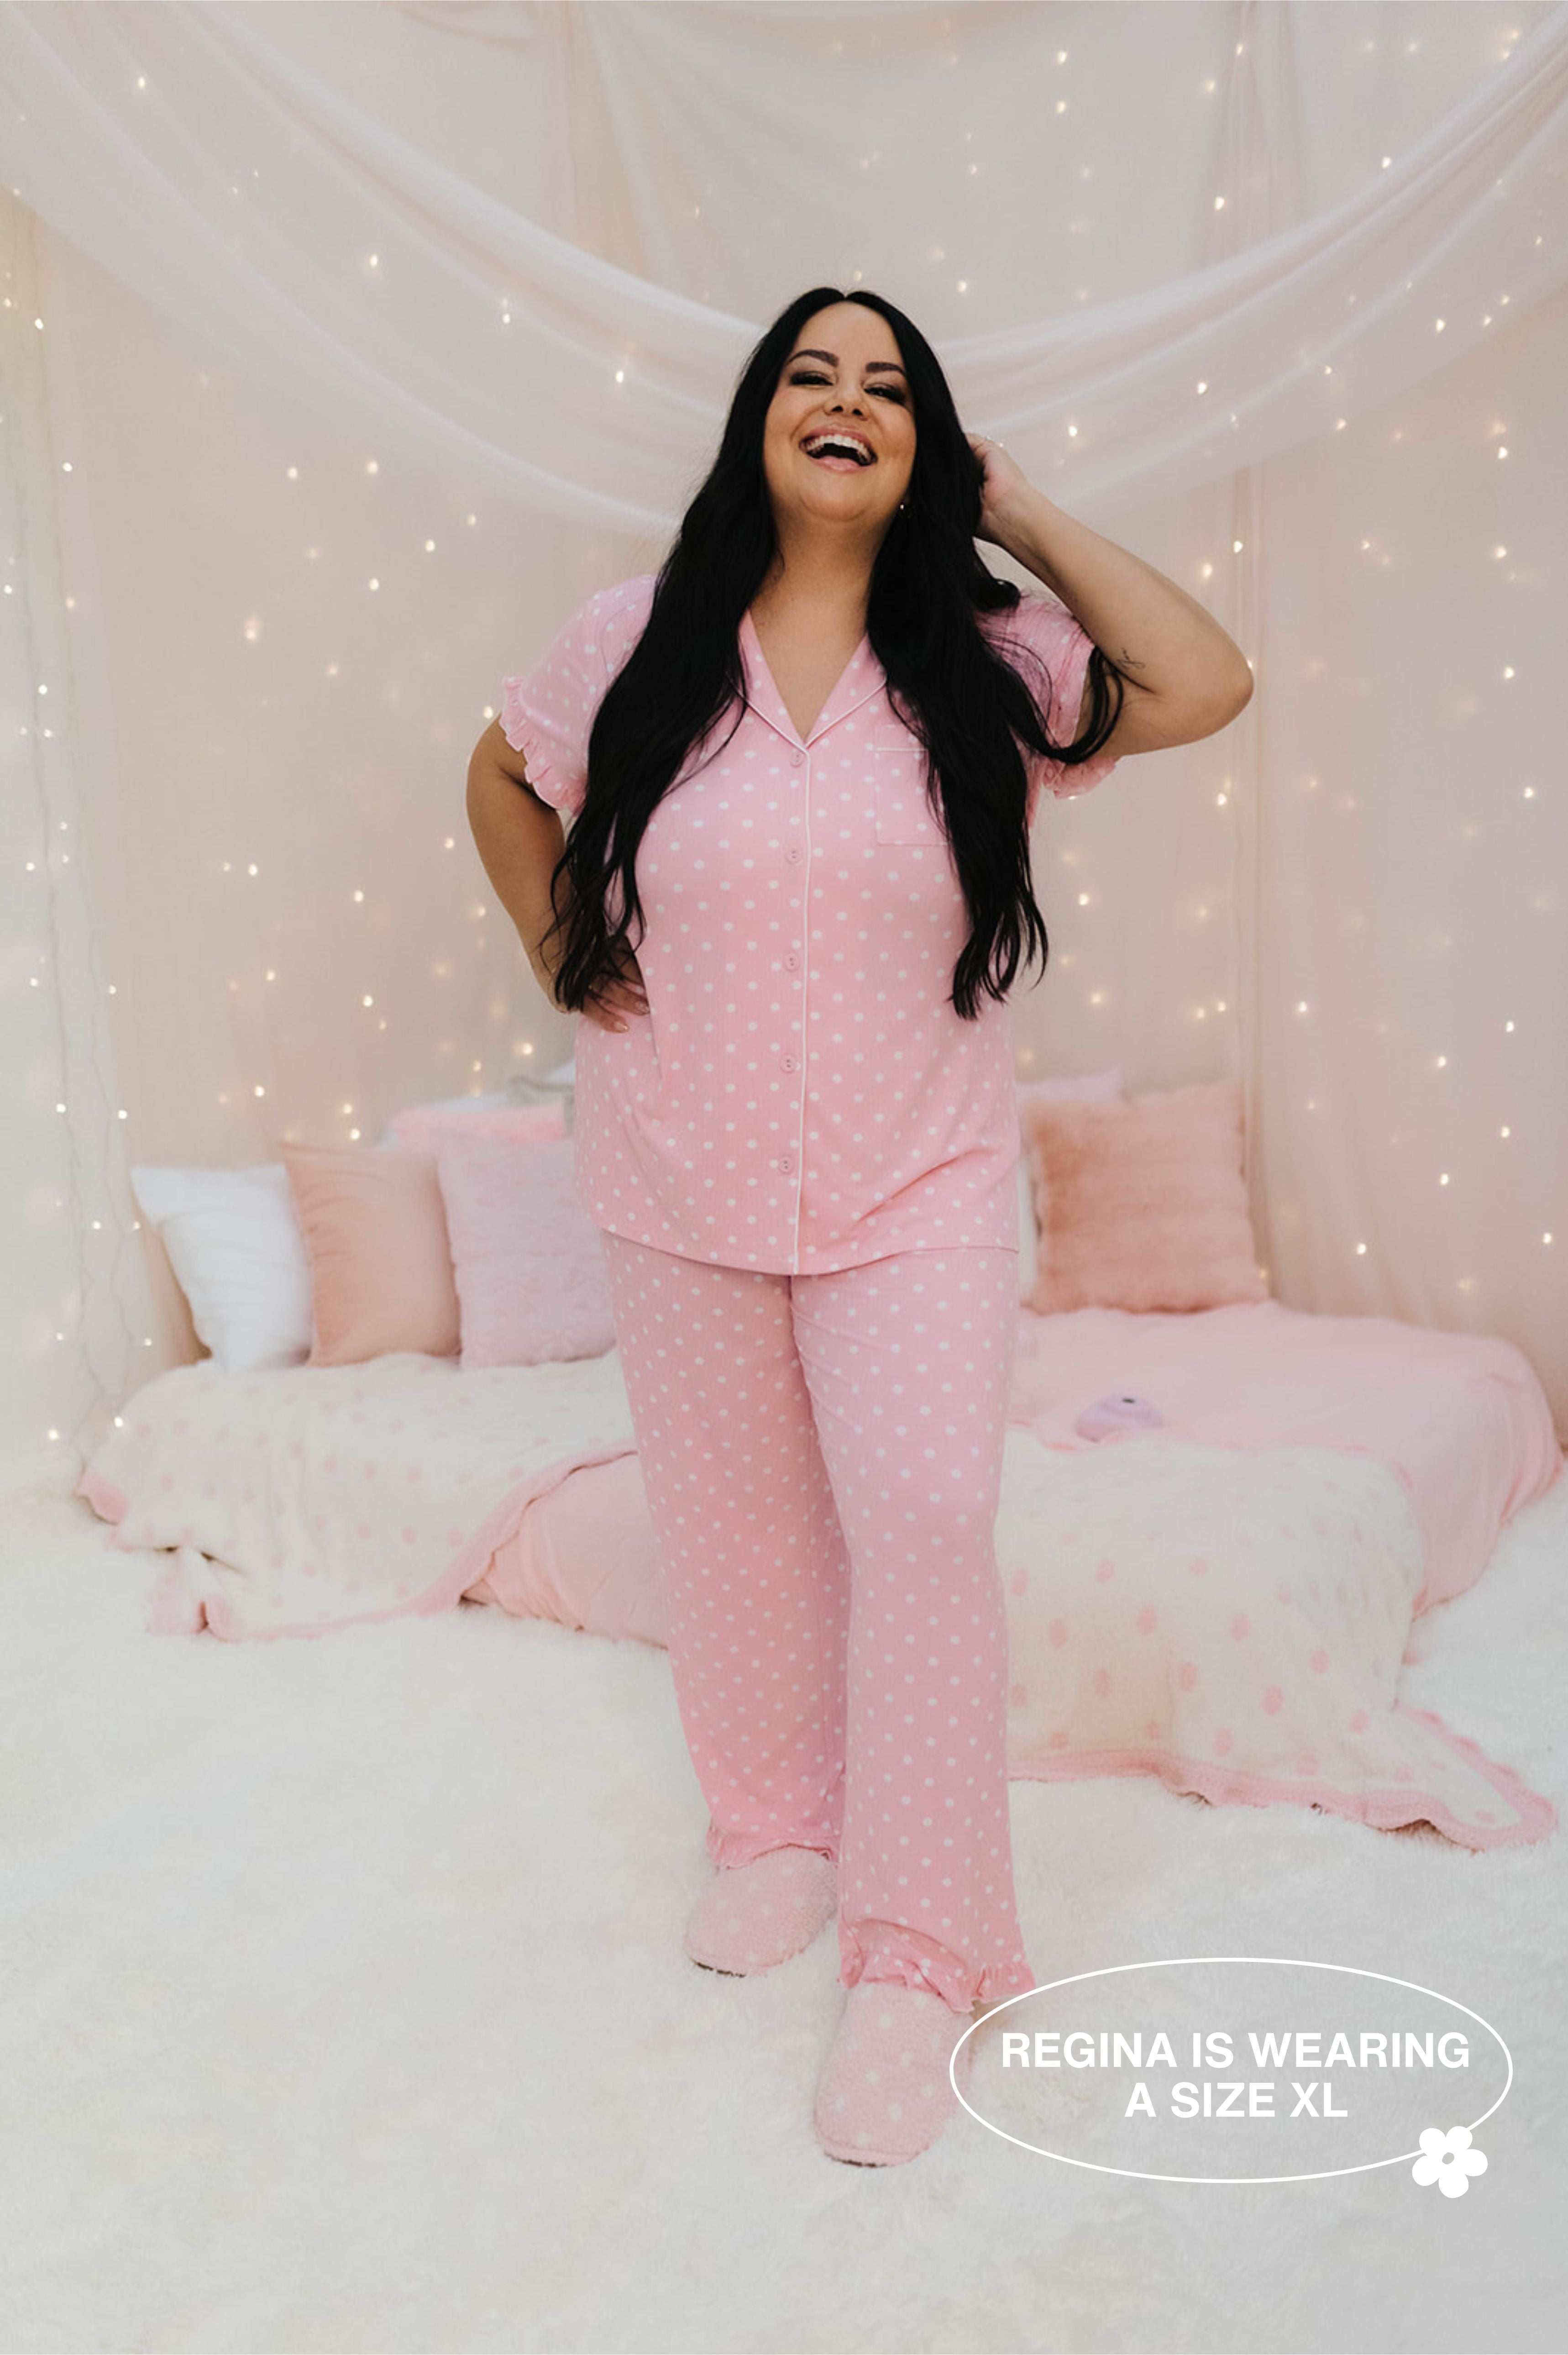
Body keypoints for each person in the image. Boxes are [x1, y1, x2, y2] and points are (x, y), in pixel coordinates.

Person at [467, 287, 1253, 2166]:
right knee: (734, 1527)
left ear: (924, 448)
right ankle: (770, 1824)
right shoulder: (633, 646)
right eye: (811, 375)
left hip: (918, 1184)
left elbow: (1208, 681)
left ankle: (917, 1947)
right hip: (674, 1176)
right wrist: (556, 948)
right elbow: (500, 776)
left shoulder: (993, 656)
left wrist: (1027, 511)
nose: (844, 401)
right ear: (757, 419)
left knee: (923, 1518)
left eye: (886, 388)